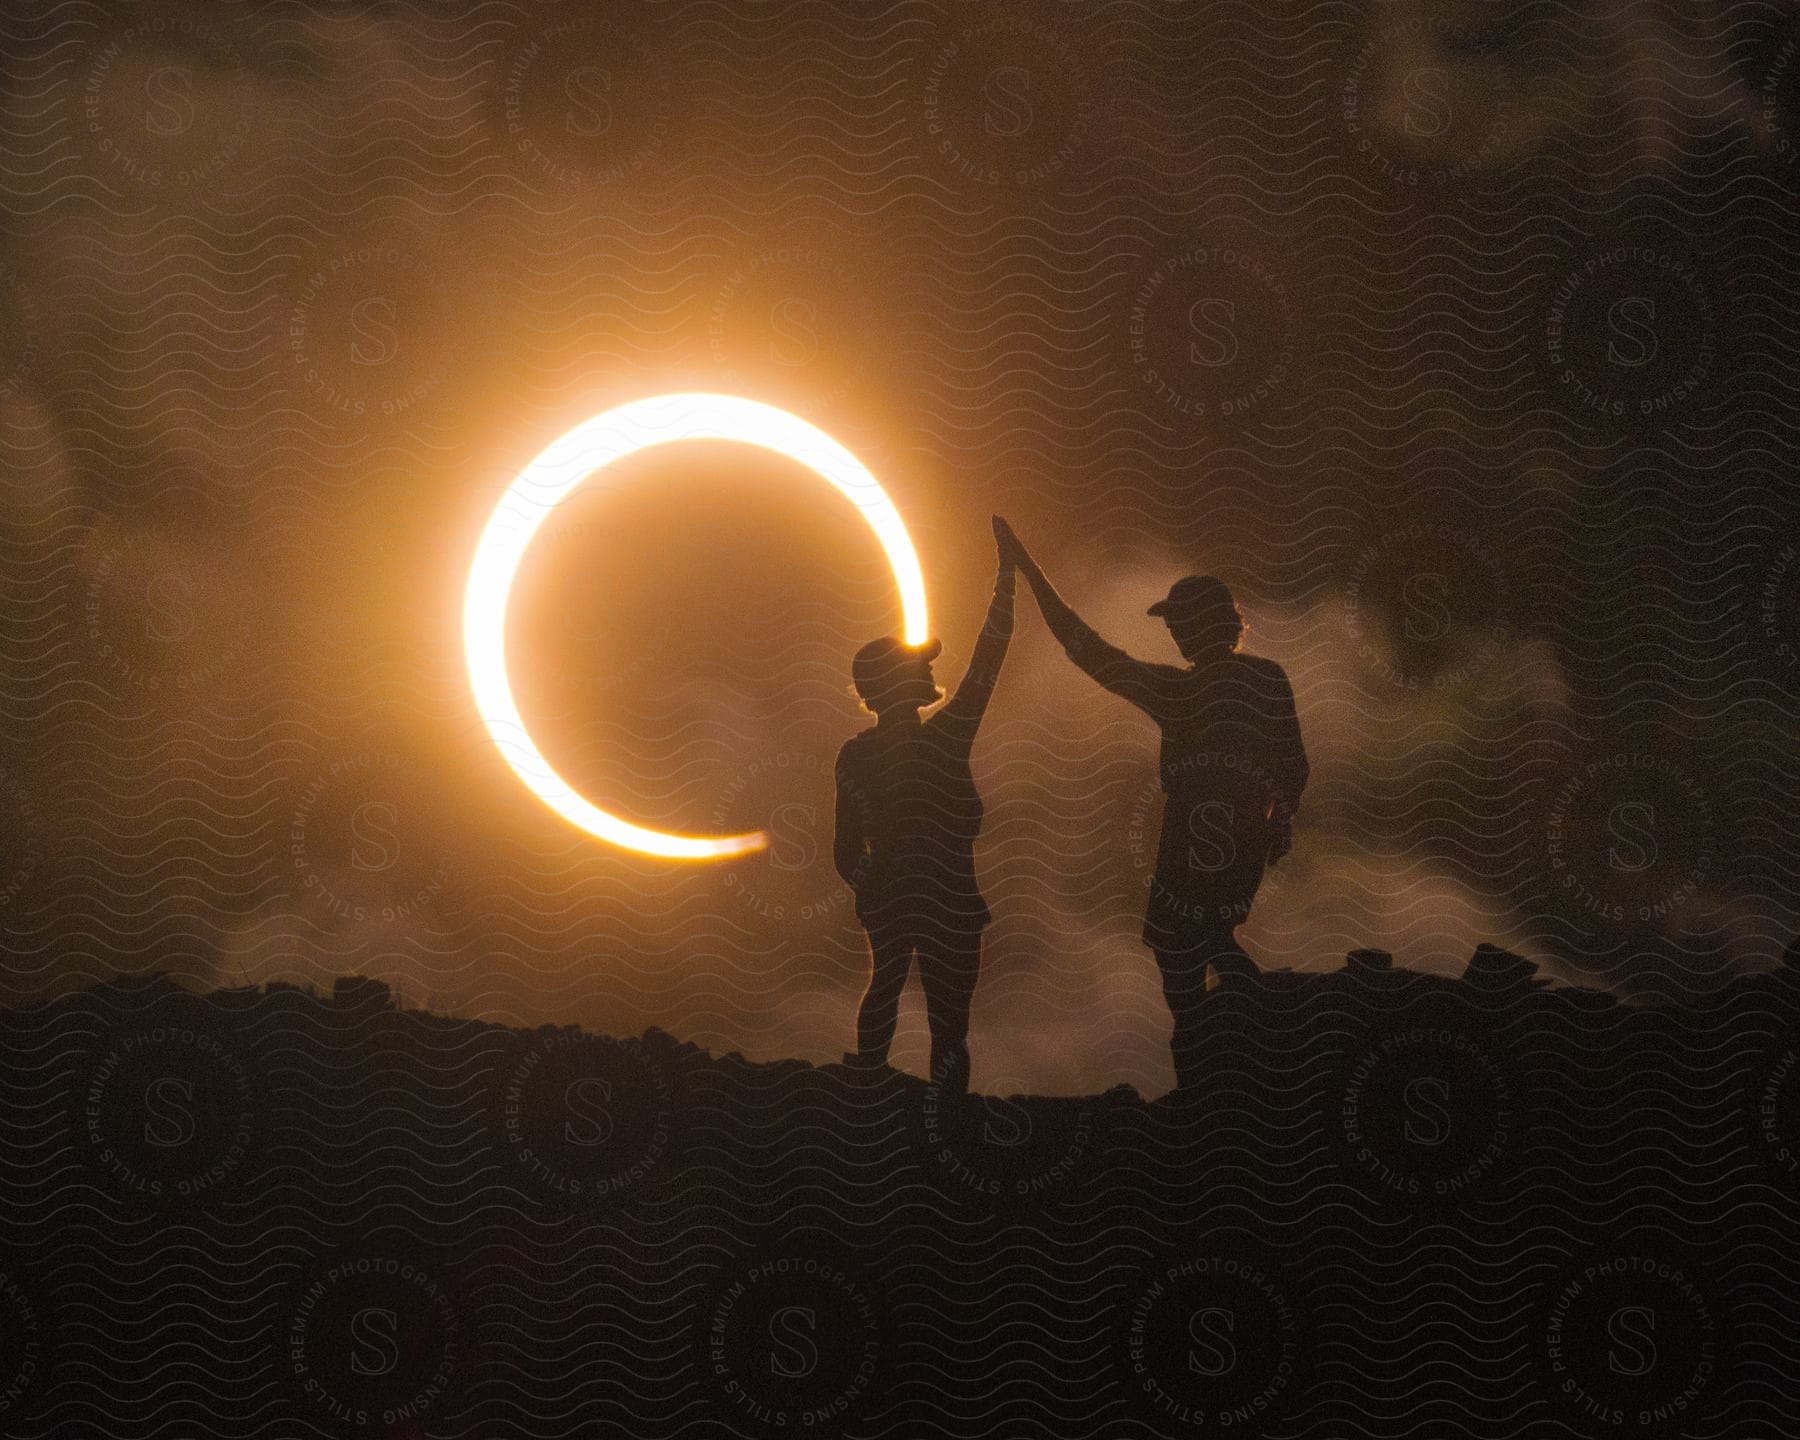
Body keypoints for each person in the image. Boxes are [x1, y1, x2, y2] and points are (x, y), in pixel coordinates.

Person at [995, 518, 1308, 1091]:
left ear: (1206, 624)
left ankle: (1236, 1055)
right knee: (1196, 945)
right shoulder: (1266, 679)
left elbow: (1083, 647)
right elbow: (1294, 763)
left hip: (1194, 839)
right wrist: (1277, 821)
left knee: (1190, 948)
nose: (1175, 634)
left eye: (1181, 623)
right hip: (1238, 835)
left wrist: (1025, 569)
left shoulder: (1181, 692)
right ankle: (1233, 1055)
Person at [832, 517, 1016, 1100]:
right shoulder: (945, 737)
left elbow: (844, 846)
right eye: (920, 664)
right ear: (900, 683)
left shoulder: (856, 756)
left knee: (886, 987)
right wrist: (1005, 583)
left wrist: (873, 890)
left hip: (904, 897)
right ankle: (946, 1120)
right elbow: (989, 661)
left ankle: (868, 1100)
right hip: (951, 899)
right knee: (947, 1025)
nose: (931, 667)